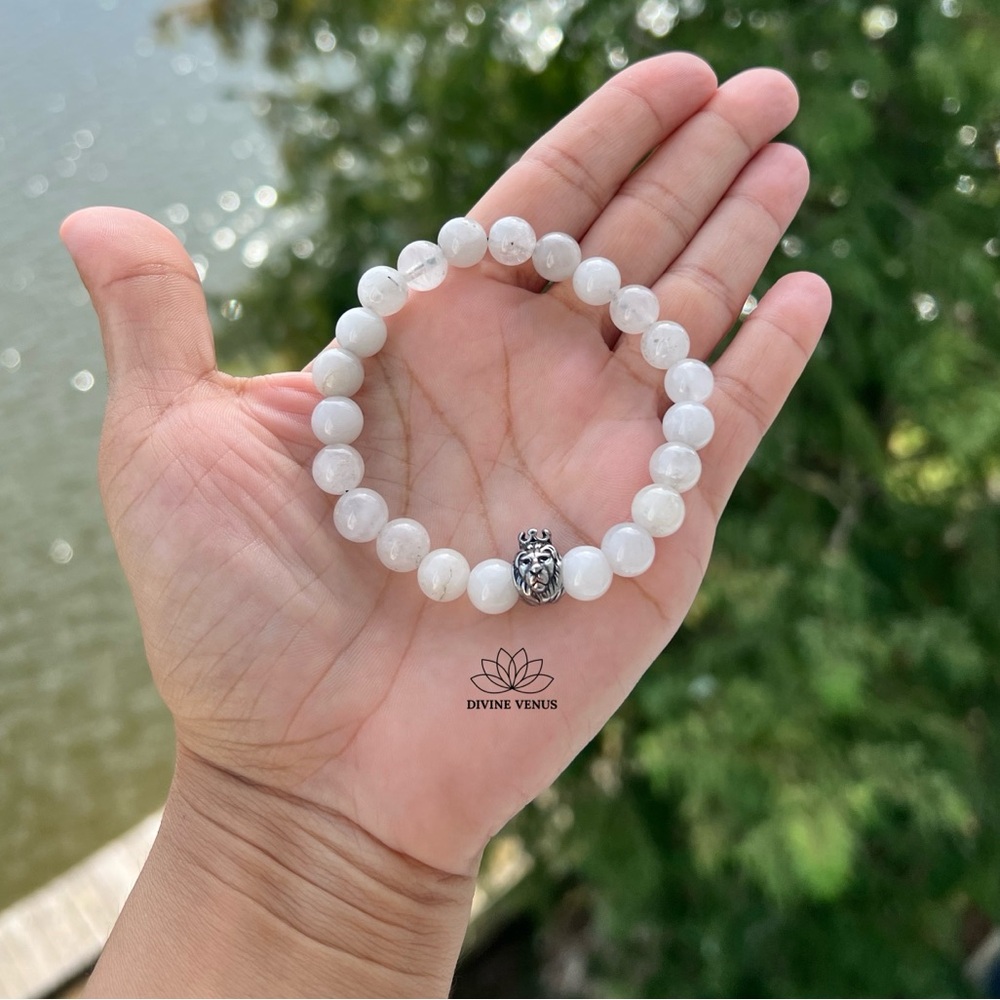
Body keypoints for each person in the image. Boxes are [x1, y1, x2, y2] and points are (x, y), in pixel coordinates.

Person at [60, 52, 831, 997]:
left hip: (534, 567)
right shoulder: (418, 485)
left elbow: (534, 580)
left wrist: (318, 850)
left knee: (545, 555)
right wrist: (295, 825)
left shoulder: (550, 532)